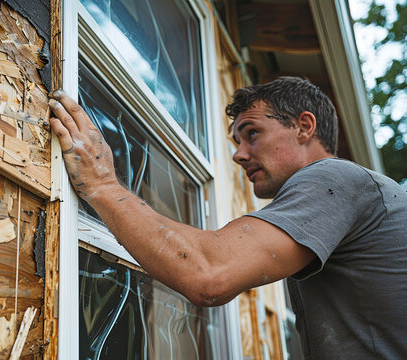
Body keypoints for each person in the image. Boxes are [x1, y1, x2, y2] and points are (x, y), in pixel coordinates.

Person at [48, 77, 407, 359]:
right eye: (237, 141)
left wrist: (103, 185)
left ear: (304, 127)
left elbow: (208, 273)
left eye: (252, 134)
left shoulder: (334, 178)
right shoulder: (357, 193)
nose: (238, 154)